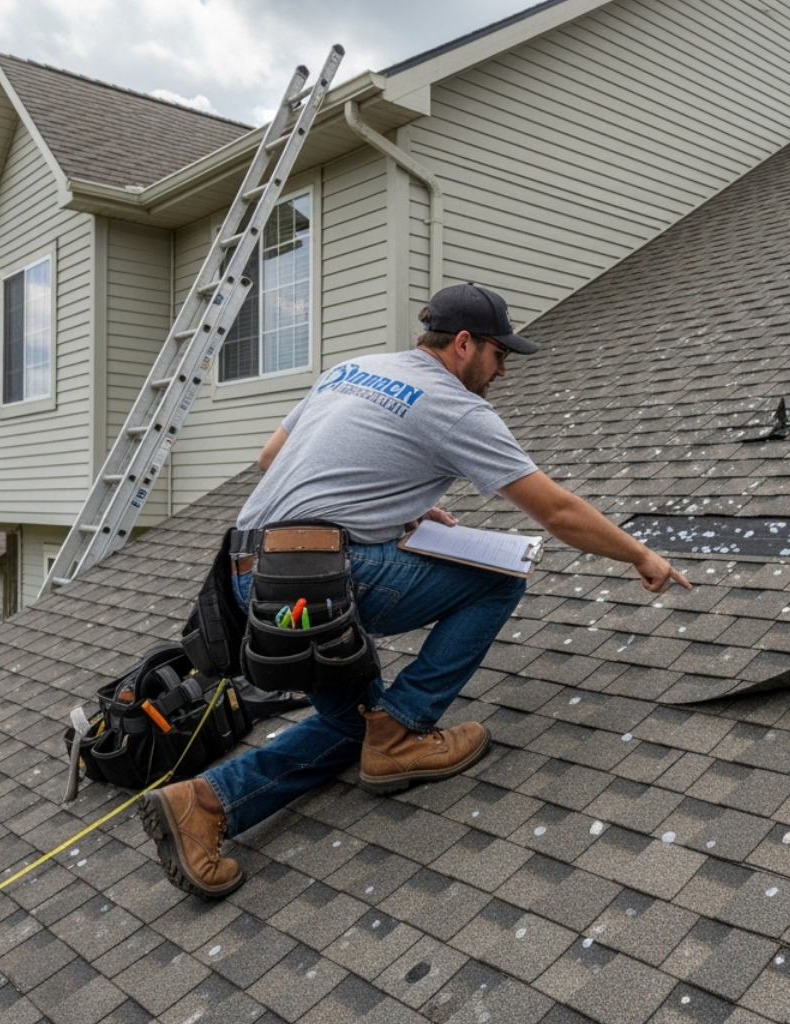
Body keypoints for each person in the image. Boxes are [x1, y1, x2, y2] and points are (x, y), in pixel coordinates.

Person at [139, 282, 691, 898]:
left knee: (352, 728)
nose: (502, 369)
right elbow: (558, 514)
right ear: (463, 345)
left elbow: (273, 458)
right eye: (498, 354)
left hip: (251, 586)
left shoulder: (355, 368)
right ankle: (403, 728)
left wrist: (400, 506)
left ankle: (205, 803)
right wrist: (642, 554)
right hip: (316, 589)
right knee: (500, 576)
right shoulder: (455, 406)